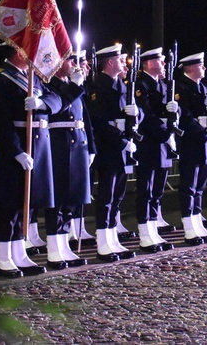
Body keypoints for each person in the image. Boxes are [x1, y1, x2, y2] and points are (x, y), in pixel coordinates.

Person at [0, 44, 63, 276]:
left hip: (35, 146)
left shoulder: (32, 78)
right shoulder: (2, 79)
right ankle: (4, 257)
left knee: (24, 207)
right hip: (15, 149)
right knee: (9, 206)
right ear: (19, 53)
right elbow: (1, 122)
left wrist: (41, 104)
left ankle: (19, 253)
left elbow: (56, 99)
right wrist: (17, 151)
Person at [87, 43, 138, 261]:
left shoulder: (123, 85)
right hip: (110, 148)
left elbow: (133, 113)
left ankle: (112, 237)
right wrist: (121, 141)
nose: (123, 63)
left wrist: (138, 115)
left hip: (123, 146)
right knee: (106, 197)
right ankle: (103, 241)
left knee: (118, 196)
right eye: (119, 59)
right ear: (109, 62)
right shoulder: (99, 88)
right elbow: (98, 123)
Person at [46, 52, 96, 268]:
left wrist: (91, 146)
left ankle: (64, 243)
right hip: (58, 144)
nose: (75, 65)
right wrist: (74, 86)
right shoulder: (49, 84)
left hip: (78, 144)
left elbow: (85, 118)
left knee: (71, 198)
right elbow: (58, 108)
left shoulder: (72, 84)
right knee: (58, 199)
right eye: (70, 60)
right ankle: (54, 247)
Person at [134, 47, 177, 252]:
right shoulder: (140, 84)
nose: (164, 64)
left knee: (158, 189)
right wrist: (166, 134)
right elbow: (147, 115)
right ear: (149, 63)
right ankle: (145, 233)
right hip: (149, 142)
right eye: (160, 60)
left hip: (163, 142)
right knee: (147, 190)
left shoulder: (163, 84)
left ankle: (153, 229)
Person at [174, 52, 207, 244]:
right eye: (201, 65)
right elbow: (185, 117)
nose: (204, 68)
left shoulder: (203, 86)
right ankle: (189, 226)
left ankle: (197, 221)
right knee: (189, 186)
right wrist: (204, 135)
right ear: (190, 68)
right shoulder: (181, 88)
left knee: (200, 186)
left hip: (206, 142)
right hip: (192, 142)